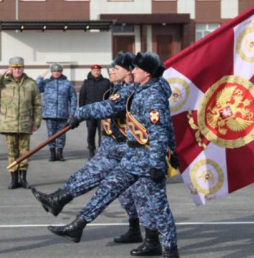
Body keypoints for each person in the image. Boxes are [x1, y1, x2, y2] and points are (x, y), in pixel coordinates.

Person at [48, 52, 180, 258]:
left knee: (159, 207)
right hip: (134, 155)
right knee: (108, 187)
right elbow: (113, 104)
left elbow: (160, 132)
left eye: (136, 68)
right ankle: (78, 224)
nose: (132, 71)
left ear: (146, 73)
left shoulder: (154, 96)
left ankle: (170, 250)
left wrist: (157, 164)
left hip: (148, 160)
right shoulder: (140, 88)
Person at [0, 56, 41, 190]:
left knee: (25, 153)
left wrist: (36, 123)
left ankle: (23, 179)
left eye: (19, 67)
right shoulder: (4, 82)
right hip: (9, 124)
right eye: (14, 68)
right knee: (12, 153)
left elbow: (37, 104)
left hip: (25, 123)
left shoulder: (31, 84)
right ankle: (14, 179)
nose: (17, 70)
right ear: (10, 69)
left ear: (23, 68)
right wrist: (0, 75)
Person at [37, 63, 77, 162]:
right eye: (54, 71)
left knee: (61, 134)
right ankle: (52, 154)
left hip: (62, 113)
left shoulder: (67, 83)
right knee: (51, 134)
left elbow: (73, 98)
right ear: (51, 72)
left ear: (61, 72)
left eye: (58, 71)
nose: (56, 73)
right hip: (49, 113)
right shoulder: (47, 82)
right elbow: (37, 88)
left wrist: (72, 113)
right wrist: (40, 77)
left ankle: (60, 154)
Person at [79, 64, 110, 159]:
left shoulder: (106, 82)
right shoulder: (87, 83)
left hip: (103, 113)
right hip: (90, 114)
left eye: (98, 71)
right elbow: (82, 98)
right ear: (91, 71)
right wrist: (82, 112)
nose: (96, 72)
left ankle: (101, 152)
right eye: (94, 71)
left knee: (103, 134)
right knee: (91, 133)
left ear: (100, 71)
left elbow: (110, 96)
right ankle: (91, 151)